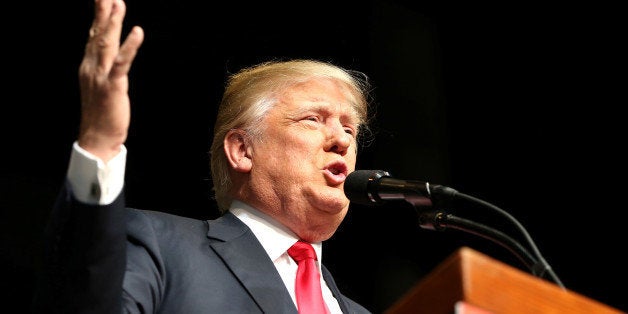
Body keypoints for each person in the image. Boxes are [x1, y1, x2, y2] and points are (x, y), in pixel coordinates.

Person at [33, 0, 373, 313]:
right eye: (313, 119)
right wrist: (99, 144)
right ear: (242, 150)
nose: (340, 140)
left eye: (349, 129)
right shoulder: (162, 248)